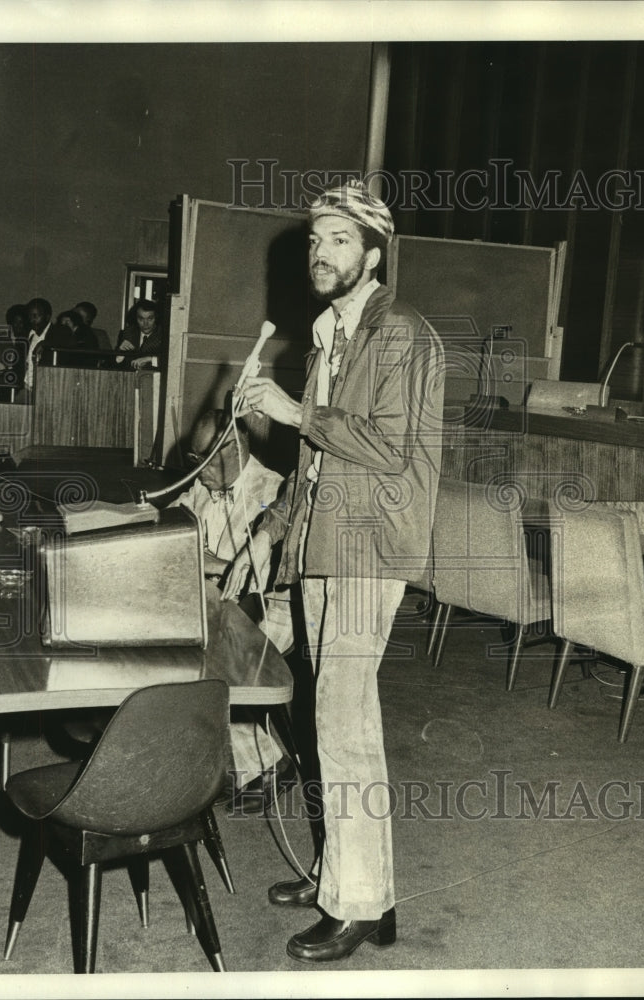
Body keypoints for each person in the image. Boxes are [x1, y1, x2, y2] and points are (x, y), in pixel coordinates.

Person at [223, 181, 445, 963]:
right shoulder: (330, 336)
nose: (322, 253)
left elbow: (391, 448)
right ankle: (352, 884)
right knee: (332, 723)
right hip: (322, 548)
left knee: (343, 727)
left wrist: (296, 412)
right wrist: (273, 525)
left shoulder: (401, 335)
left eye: (340, 241)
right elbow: (318, 464)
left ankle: (356, 908)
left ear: (375, 255)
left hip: (367, 553)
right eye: (316, 241)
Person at [170, 404, 297, 813]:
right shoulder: (204, 488)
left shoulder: (274, 491)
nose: (195, 472)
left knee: (215, 663)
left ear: (232, 449)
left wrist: (217, 564)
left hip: (274, 605)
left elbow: (278, 574)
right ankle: (232, 762)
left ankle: (271, 762)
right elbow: (175, 523)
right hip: (224, 601)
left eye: (200, 462)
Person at [23, 297, 75, 392]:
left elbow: (68, 343)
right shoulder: (28, 334)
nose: (31, 320)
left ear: (47, 316)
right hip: (27, 387)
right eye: (29, 316)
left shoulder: (59, 331)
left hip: (48, 387)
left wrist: (44, 343)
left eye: (35, 316)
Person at [116, 298, 164, 368]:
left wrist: (150, 359)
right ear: (135, 319)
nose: (145, 324)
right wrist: (120, 354)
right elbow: (111, 364)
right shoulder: (128, 333)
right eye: (141, 319)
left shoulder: (163, 335)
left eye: (150, 319)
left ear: (156, 318)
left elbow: (171, 361)